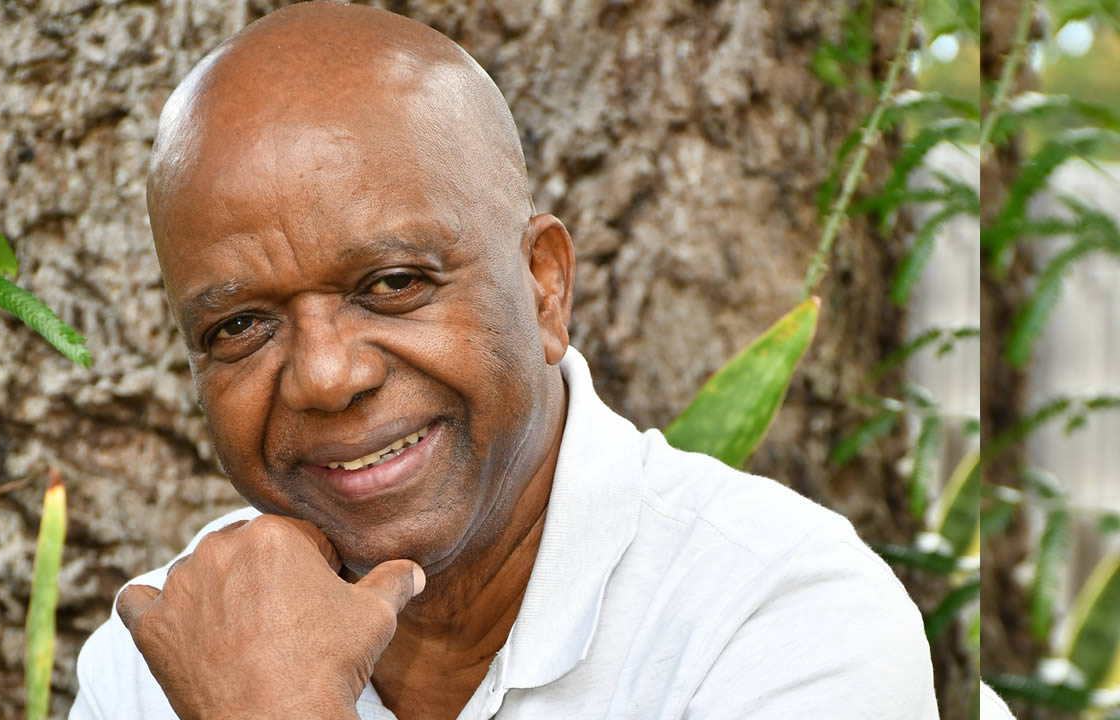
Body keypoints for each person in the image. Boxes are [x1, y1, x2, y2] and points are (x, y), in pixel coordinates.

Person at [69, 3, 940, 718]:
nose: (327, 377)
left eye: (394, 283)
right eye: (241, 327)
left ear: (544, 287)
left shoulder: (779, 617)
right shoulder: (166, 649)